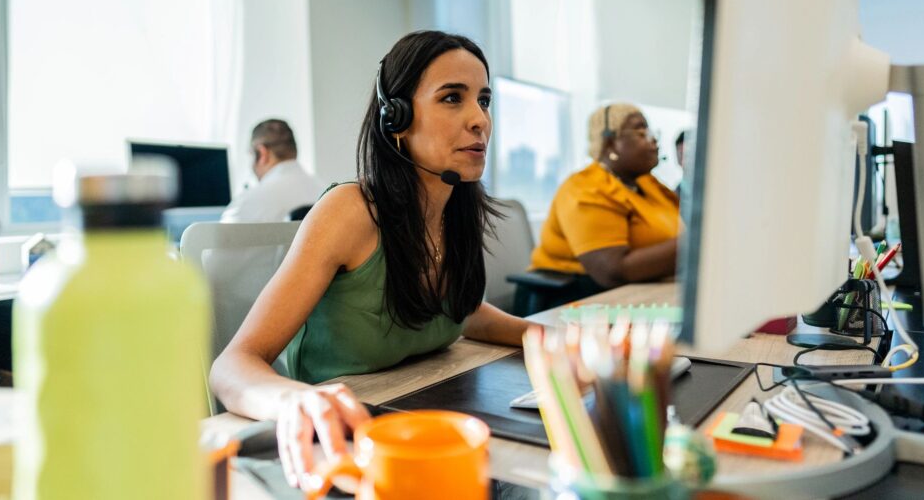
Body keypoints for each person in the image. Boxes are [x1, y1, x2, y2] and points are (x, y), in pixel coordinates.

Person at [209, 31, 530, 491]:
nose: (479, 119)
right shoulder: (350, 211)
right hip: (342, 452)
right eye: (452, 98)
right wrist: (296, 402)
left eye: (483, 100)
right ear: (395, 118)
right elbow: (232, 365)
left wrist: (538, 334)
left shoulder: (454, 209)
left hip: (421, 430)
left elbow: (456, 308)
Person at [526, 102, 681, 309]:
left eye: (651, 130)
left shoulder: (649, 184)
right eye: (641, 130)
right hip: (574, 301)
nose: (653, 140)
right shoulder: (585, 188)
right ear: (610, 143)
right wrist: (693, 246)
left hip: (639, 295)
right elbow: (612, 271)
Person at [221, 119, 324, 224]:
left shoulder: (247, 204)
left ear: (262, 153)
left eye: (250, 154)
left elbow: (219, 238)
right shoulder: (324, 191)